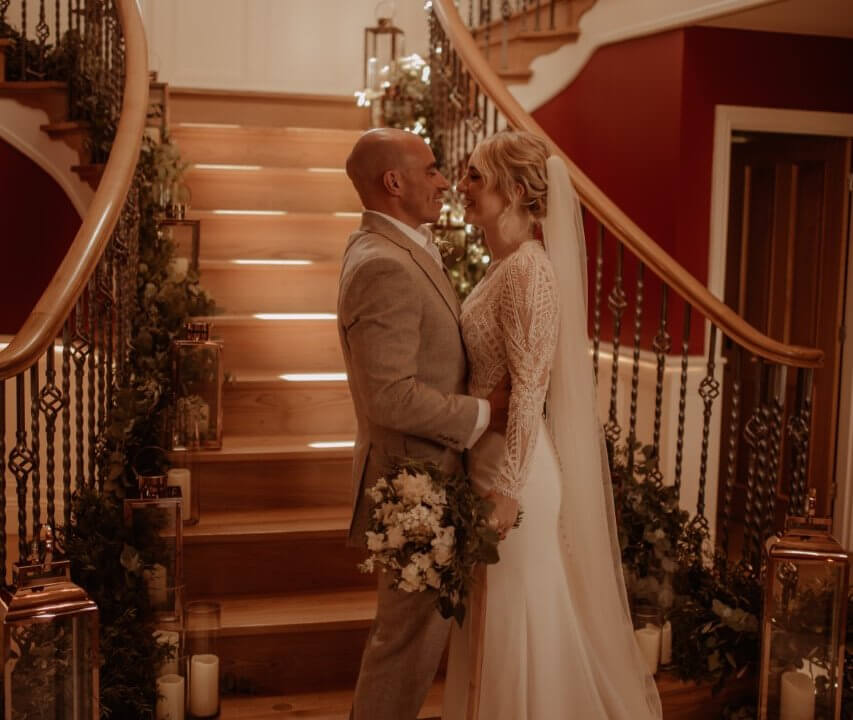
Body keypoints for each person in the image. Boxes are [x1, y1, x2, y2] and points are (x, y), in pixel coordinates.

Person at [442, 130, 663, 719]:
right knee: (493, 623)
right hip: (483, 457)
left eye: (476, 178)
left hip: (516, 475)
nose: (463, 187)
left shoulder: (530, 273)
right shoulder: (500, 267)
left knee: (519, 625)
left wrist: (509, 489)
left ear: (514, 191)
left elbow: (532, 386)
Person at [338, 127, 509, 720]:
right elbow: (390, 397)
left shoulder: (400, 247)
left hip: (430, 474)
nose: (444, 182)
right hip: (413, 482)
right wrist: (488, 412)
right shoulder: (383, 264)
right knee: (404, 648)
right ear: (394, 182)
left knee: (412, 643)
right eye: (433, 170)